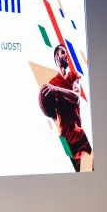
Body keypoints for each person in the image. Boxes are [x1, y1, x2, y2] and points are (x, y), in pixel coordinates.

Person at [39, 44, 93, 172]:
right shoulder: (52, 84)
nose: (66, 55)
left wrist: (56, 90)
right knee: (73, 176)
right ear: (57, 57)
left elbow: (76, 97)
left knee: (91, 169)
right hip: (65, 138)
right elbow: (52, 114)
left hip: (77, 133)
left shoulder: (73, 76)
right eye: (63, 52)